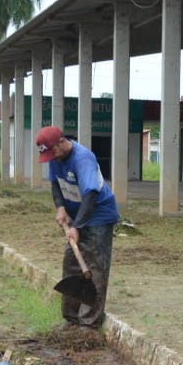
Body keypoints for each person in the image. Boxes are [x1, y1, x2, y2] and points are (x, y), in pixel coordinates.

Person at [36, 125, 119, 329]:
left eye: (52, 152)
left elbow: (90, 195)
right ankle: (71, 318)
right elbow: (55, 184)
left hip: (98, 216)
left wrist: (77, 226)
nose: (51, 159)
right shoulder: (56, 158)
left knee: (94, 268)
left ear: (62, 141)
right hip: (76, 216)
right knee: (71, 264)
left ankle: (88, 323)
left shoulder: (83, 159)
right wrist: (60, 208)